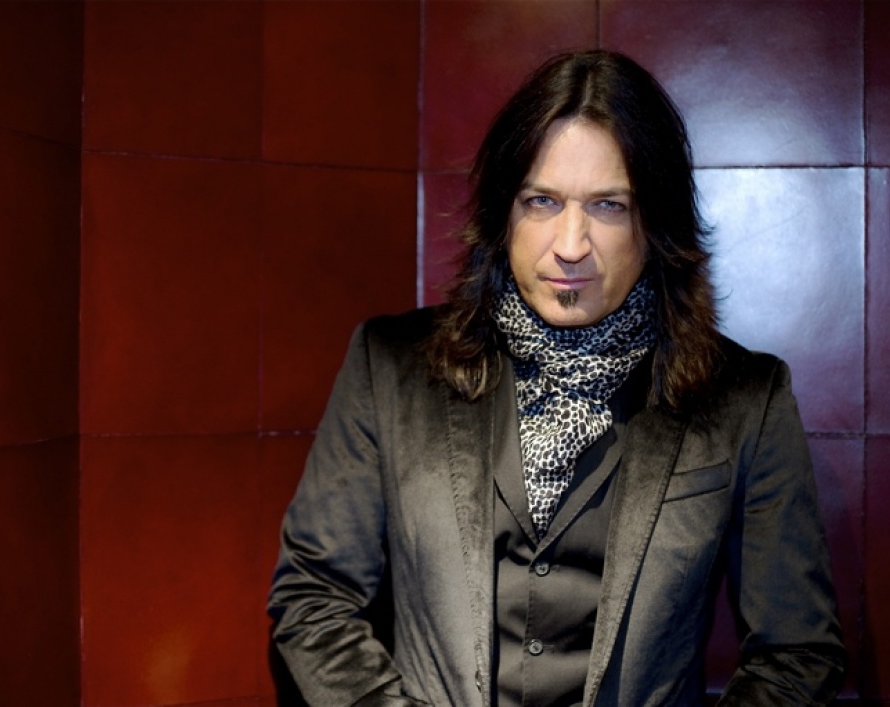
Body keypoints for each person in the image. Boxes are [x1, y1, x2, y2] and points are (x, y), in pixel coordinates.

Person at [266, 50, 846, 706]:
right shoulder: (391, 367)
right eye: (541, 201)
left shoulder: (744, 398)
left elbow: (798, 653)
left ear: (654, 222)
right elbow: (313, 597)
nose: (571, 245)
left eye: (608, 205)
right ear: (502, 214)